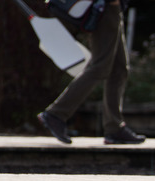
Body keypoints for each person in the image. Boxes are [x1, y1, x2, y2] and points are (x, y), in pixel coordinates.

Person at [38, 0, 145, 145]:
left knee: (118, 68)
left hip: (111, 8)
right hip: (105, 7)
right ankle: (56, 114)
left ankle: (114, 128)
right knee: (100, 67)